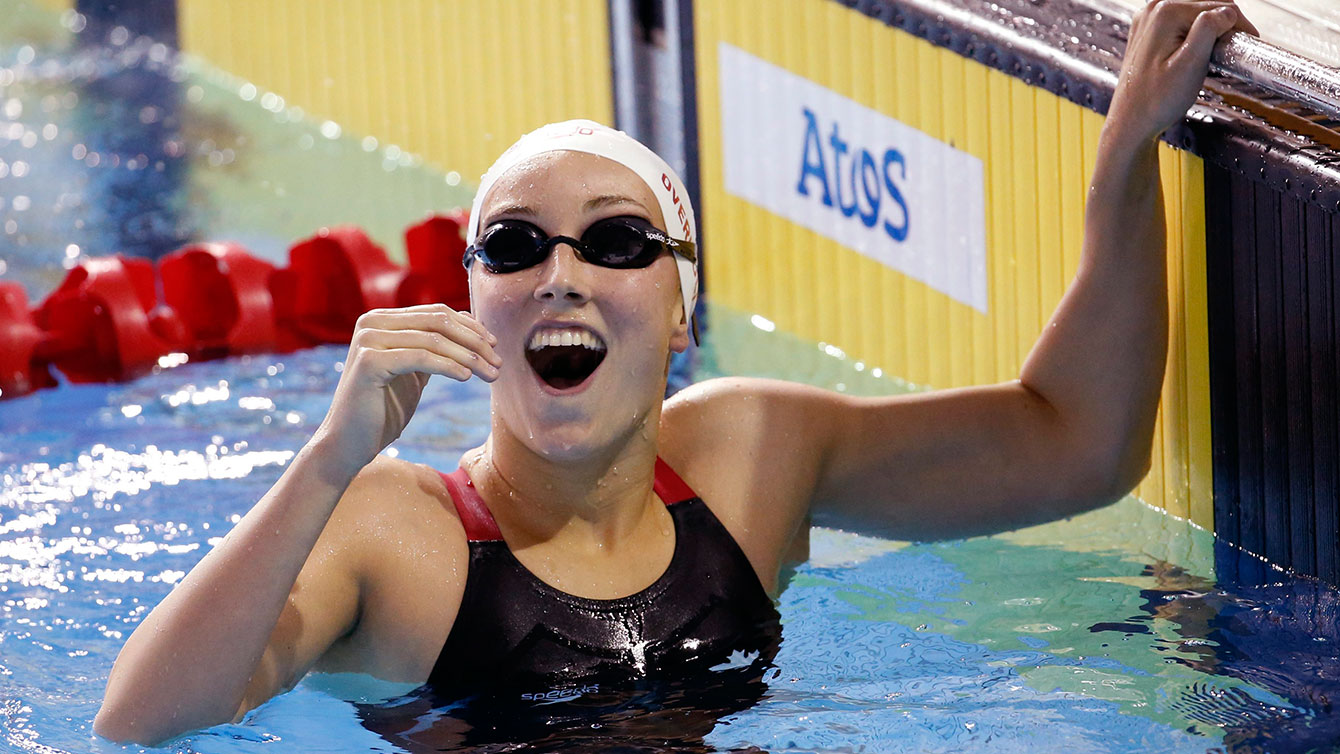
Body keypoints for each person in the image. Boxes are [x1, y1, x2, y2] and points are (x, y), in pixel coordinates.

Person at [94, 0, 1257, 745]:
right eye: (512, 244)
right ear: (474, 302)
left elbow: (1075, 444)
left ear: (680, 316)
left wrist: (1122, 168)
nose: (558, 271)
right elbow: (136, 724)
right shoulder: (394, 534)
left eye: (612, 243)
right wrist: (325, 462)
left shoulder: (749, 459)